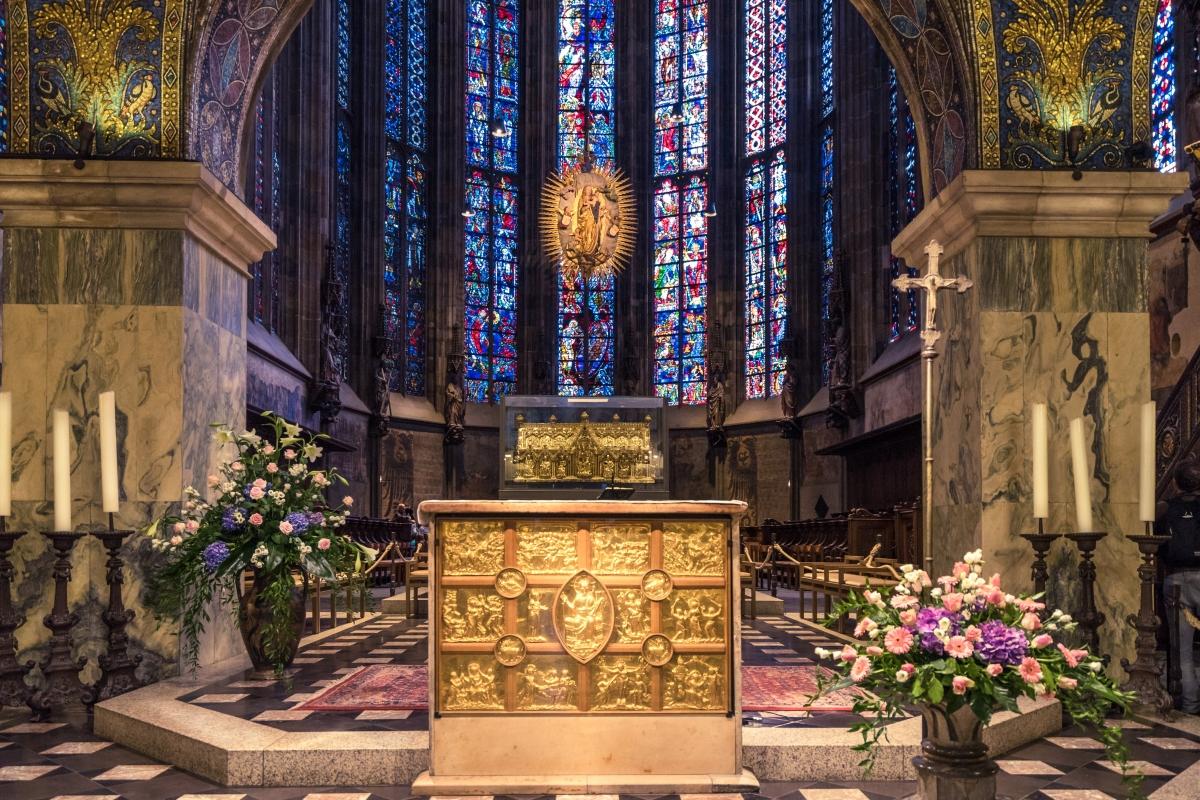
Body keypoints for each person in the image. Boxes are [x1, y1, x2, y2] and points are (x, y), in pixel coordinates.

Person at [1162, 460, 1200, 714]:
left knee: (1183, 651)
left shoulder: (1166, 510)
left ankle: (1190, 708)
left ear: (1174, 483)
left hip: (1176, 581)